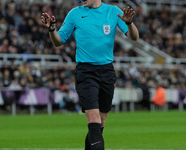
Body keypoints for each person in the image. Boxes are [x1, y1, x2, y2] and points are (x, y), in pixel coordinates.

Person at [41, 0, 139, 149]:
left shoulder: (112, 11)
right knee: (93, 118)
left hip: (106, 71)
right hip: (86, 72)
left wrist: (130, 23)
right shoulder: (75, 13)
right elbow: (58, 41)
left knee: (101, 123)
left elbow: (134, 37)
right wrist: (52, 29)